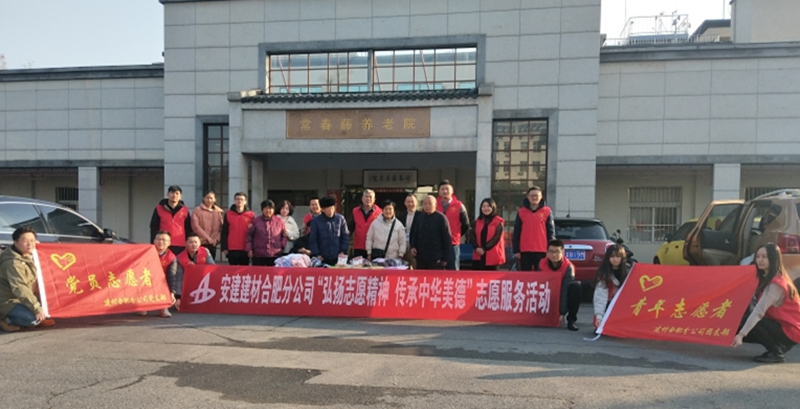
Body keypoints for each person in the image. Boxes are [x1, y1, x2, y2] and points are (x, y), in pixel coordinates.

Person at [732, 243, 800, 363]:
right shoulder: (768, 278)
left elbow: (758, 312)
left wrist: (741, 335)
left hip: (791, 331)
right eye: (758, 256)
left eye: (764, 257)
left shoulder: (776, 284)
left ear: (773, 258)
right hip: (784, 326)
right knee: (745, 323)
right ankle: (778, 347)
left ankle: (776, 352)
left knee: (753, 320)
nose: (760, 260)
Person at [0, 227, 55, 332]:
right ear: (16, 242)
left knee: (48, 310)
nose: (30, 244)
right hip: (8, 301)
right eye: (25, 241)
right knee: (32, 319)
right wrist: (36, 309)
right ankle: (5, 320)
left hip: (24, 297)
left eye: (32, 241)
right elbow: (20, 288)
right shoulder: (13, 263)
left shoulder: (31, 255)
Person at [539, 239, 581, 331]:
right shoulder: (541, 264)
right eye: (551, 252)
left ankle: (571, 320)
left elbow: (565, 290)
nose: (554, 255)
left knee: (575, 287)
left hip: (561, 293)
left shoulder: (568, 267)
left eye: (557, 252)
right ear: (547, 252)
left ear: (563, 252)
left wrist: (561, 313)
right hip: (547, 293)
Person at [513, 186, 555, 271]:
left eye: (536, 195)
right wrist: (516, 250)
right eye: (532, 195)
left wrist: (551, 250)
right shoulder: (521, 212)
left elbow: (551, 232)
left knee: (541, 274)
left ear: (541, 196)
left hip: (542, 250)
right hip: (524, 250)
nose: (534, 198)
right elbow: (517, 231)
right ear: (527, 196)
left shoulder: (547, 211)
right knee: (525, 275)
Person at [592, 244, 632, 329]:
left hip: (625, 304)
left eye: (618, 256)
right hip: (610, 304)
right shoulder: (603, 273)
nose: (615, 259)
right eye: (612, 256)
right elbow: (600, 296)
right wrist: (599, 316)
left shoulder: (630, 271)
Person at [138, 230, 176, 318]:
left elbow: (172, 275)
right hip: (146, 280)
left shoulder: (171, 257)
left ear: (169, 243)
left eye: (164, 240)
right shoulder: (146, 252)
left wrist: (172, 292)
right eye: (158, 239)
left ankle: (163, 307)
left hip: (161, 282)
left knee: (165, 282)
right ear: (154, 241)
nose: (160, 242)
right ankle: (142, 305)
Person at [410, 195, 452, 270]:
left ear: (435, 205)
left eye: (430, 204)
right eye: (425, 204)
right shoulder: (420, 218)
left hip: (436, 257)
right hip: (421, 257)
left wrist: (445, 258)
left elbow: (447, 239)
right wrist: (413, 246)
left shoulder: (441, 218)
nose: (427, 206)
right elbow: (414, 234)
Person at [436, 180, 470, 270]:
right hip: (437, 244)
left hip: (453, 243)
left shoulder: (459, 205)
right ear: (439, 191)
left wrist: (457, 234)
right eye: (442, 189)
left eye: (447, 189)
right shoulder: (434, 205)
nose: (445, 191)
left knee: (453, 269)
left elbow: (466, 224)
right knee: (437, 271)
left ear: (452, 191)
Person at [175, 233, 215, 309]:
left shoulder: (205, 251)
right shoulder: (180, 258)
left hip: (204, 279)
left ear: (200, 243)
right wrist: (178, 297)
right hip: (188, 283)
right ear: (185, 243)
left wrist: (196, 268)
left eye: (196, 242)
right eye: (191, 242)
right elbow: (179, 278)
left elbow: (212, 267)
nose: (194, 245)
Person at [150, 185, 193, 255]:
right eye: (172, 192)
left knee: (179, 262)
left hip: (180, 243)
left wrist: (188, 242)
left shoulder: (185, 210)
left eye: (177, 193)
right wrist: (153, 242)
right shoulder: (159, 208)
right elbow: (154, 227)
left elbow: (188, 227)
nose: (174, 195)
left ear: (180, 196)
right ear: (168, 194)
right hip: (163, 243)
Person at [309, 196, 350, 265]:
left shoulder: (340, 219)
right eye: (328, 209)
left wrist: (343, 251)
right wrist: (317, 254)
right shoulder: (316, 221)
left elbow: (345, 236)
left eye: (332, 208)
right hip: (322, 257)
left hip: (338, 256)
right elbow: (313, 239)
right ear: (322, 210)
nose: (330, 211)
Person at [246, 200, 287, 267]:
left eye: (270, 208)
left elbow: (284, 235)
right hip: (258, 255)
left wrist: (282, 245)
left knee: (273, 273)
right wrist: (249, 249)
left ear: (273, 210)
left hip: (275, 254)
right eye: (266, 208)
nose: (268, 210)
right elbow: (249, 235)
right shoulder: (256, 221)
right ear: (262, 209)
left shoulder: (279, 221)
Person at [470, 198, 506, 270]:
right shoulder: (477, 221)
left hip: (492, 255)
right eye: (483, 206)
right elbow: (472, 235)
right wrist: (476, 248)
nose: (486, 208)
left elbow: (496, 238)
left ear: (493, 207)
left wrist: (484, 248)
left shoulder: (498, 221)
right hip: (478, 255)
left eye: (488, 206)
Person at [221, 192, 255, 266]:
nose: (239, 201)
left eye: (242, 199)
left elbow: (253, 233)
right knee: (232, 270)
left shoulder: (251, 215)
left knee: (244, 270)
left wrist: (251, 248)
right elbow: (224, 232)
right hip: (232, 248)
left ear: (245, 201)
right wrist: (224, 247)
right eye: (237, 199)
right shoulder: (228, 214)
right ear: (234, 201)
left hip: (245, 248)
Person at [191, 190, 224, 260]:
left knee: (211, 263)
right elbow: (195, 226)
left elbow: (221, 228)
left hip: (213, 243)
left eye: (211, 198)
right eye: (207, 198)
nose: (209, 200)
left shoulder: (218, 212)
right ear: (203, 198)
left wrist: (216, 239)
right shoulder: (197, 211)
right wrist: (208, 238)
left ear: (215, 199)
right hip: (201, 242)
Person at [349, 189, 381, 259]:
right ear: (362, 198)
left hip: (374, 246)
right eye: (366, 197)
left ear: (374, 199)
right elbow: (351, 227)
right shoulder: (355, 211)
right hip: (359, 246)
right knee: (358, 265)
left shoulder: (380, 212)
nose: (368, 199)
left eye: (370, 197)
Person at [398, 193, 421, 269]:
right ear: (405, 203)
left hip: (415, 249)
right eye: (408, 202)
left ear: (416, 202)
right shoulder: (402, 216)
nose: (410, 204)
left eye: (412, 202)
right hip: (404, 247)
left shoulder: (421, 216)